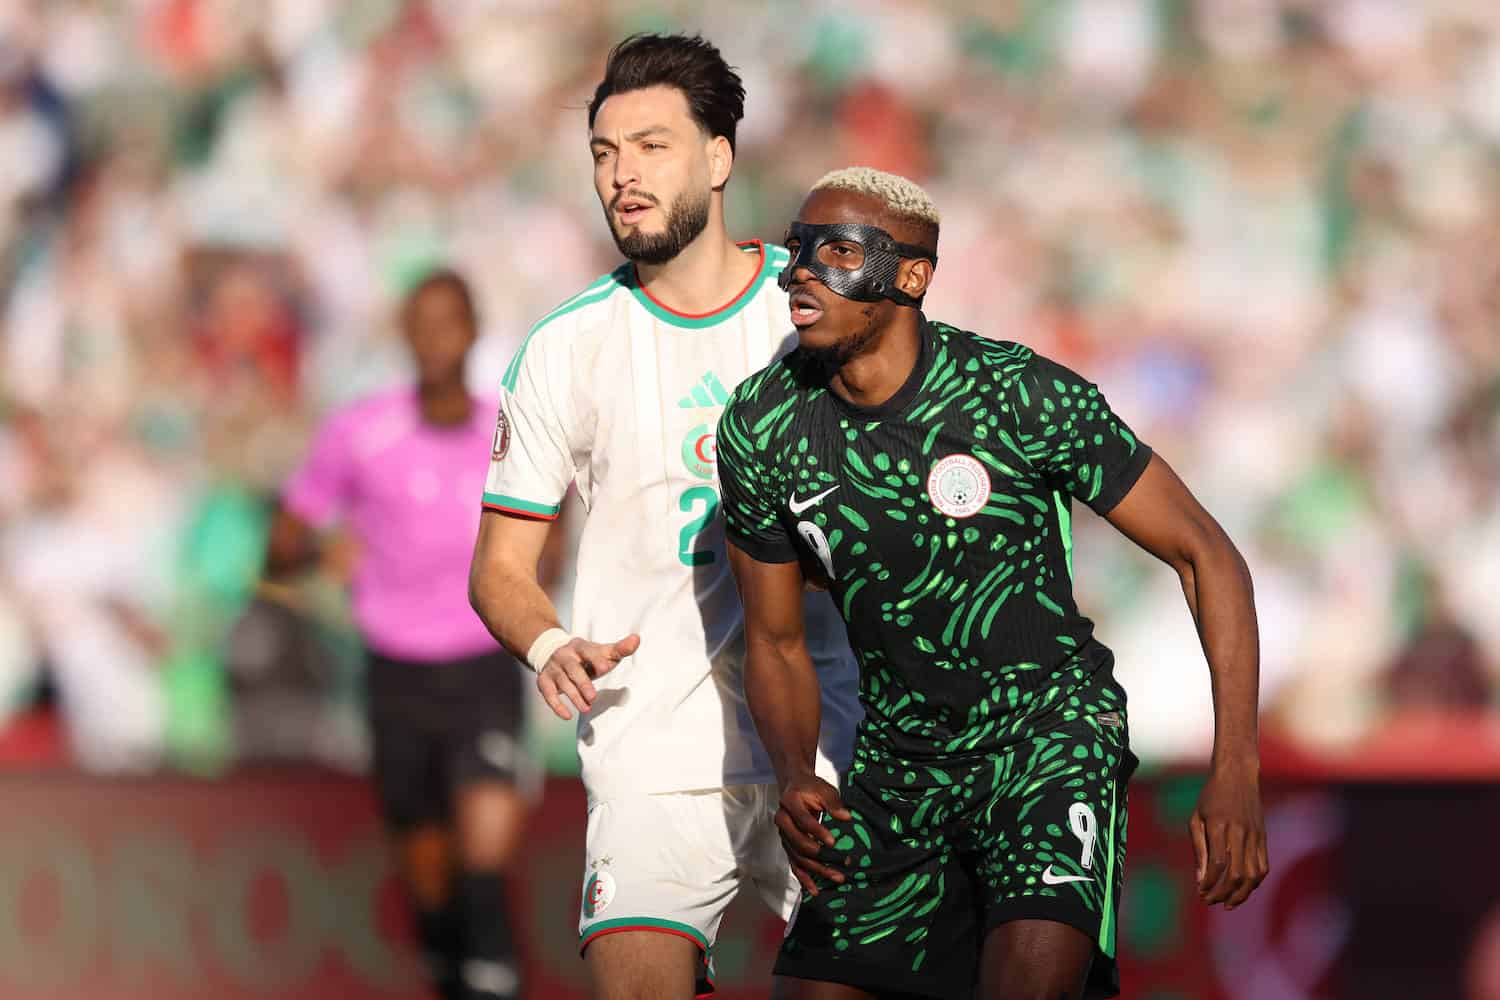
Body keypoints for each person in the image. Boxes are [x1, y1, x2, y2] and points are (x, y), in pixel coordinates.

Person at [716, 167, 1269, 1000]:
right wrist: (795, 771)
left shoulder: (1018, 394)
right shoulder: (762, 425)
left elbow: (1206, 555)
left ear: (910, 276)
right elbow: (775, 637)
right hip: (899, 769)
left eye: (837, 252)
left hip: (1047, 744)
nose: (800, 271)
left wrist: (1236, 767)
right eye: (797, 249)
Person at [467, 33, 861, 1000]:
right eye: (605, 153)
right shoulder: (565, 347)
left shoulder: (817, 313)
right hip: (649, 750)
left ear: (718, 158)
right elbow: (498, 570)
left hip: (831, 740)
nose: (622, 175)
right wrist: (550, 642)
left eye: (651, 146)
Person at [266, 270, 529, 1000]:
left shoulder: (508, 431)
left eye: (450, 322)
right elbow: (282, 545)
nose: (436, 339)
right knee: (432, 885)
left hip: (485, 666)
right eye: (422, 323)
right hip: (398, 675)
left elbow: (557, 517)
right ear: (404, 335)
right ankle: (451, 970)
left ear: (473, 331)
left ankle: (494, 979)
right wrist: (322, 551)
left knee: (484, 867)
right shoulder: (360, 431)